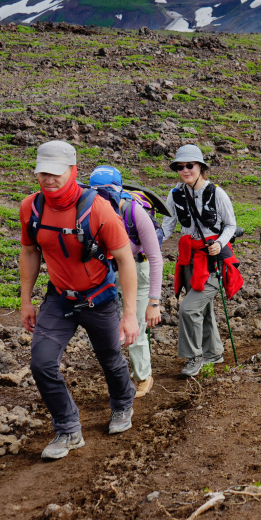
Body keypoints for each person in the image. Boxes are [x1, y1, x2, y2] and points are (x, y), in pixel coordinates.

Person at [19, 141, 138, 461]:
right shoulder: (31, 208)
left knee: (110, 358)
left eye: (55, 173)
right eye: (42, 173)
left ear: (72, 171)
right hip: (59, 299)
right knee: (42, 362)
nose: (48, 179)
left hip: (99, 299)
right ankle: (68, 429)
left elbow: (126, 260)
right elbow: (30, 251)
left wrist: (129, 313)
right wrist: (26, 300)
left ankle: (123, 402)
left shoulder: (98, 209)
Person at [161, 144, 241, 377]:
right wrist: (149, 244)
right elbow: (168, 226)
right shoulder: (175, 193)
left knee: (188, 309)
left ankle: (194, 356)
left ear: (200, 167)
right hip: (188, 261)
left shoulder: (217, 193)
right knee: (202, 309)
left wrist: (220, 243)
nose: (185, 170)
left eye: (190, 165)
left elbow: (231, 225)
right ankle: (214, 353)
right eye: (180, 166)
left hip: (213, 261)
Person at [88, 166, 163, 398]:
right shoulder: (91, 210)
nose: (102, 197)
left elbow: (155, 258)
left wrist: (154, 302)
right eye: (97, 192)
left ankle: (143, 377)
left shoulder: (134, 212)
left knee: (135, 328)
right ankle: (127, 374)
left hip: (138, 272)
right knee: (112, 327)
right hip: (110, 272)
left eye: (107, 192)